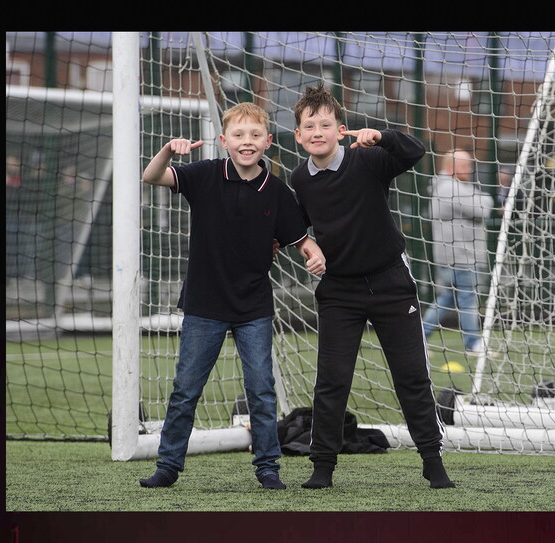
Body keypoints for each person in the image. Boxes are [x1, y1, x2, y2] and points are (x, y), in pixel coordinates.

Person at [138, 102, 326, 490]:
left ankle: (268, 468)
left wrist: (315, 253)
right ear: (224, 141)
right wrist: (168, 151)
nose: (247, 142)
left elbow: (301, 240)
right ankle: (168, 466)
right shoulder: (205, 174)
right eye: (238, 135)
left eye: (255, 135)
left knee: (261, 391)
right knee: (185, 390)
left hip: (254, 307)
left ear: (268, 142)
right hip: (204, 304)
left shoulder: (277, 191)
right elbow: (151, 176)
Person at [289, 83, 455, 489]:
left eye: (325, 125)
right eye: (309, 126)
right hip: (339, 292)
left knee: (411, 376)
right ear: (298, 135)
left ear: (341, 129)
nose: (317, 132)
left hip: (391, 284)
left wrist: (382, 136)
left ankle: (433, 462)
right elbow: (295, 227)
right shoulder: (300, 179)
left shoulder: (368, 159)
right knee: (332, 381)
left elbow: (415, 151)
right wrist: (307, 247)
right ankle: (322, 468)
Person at [422, 149, 495, 357]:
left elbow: (483, 202)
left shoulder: (452, 187)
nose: (470, 170)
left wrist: (480, 198)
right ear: (451, 167)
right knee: (467, 300)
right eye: (465, 166)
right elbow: (484, 207)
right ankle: (473, 345)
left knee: (448, 299)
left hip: (455, 257)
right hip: (461, 257)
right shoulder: (449, 187)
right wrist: (481, 198)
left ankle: (418, 339)